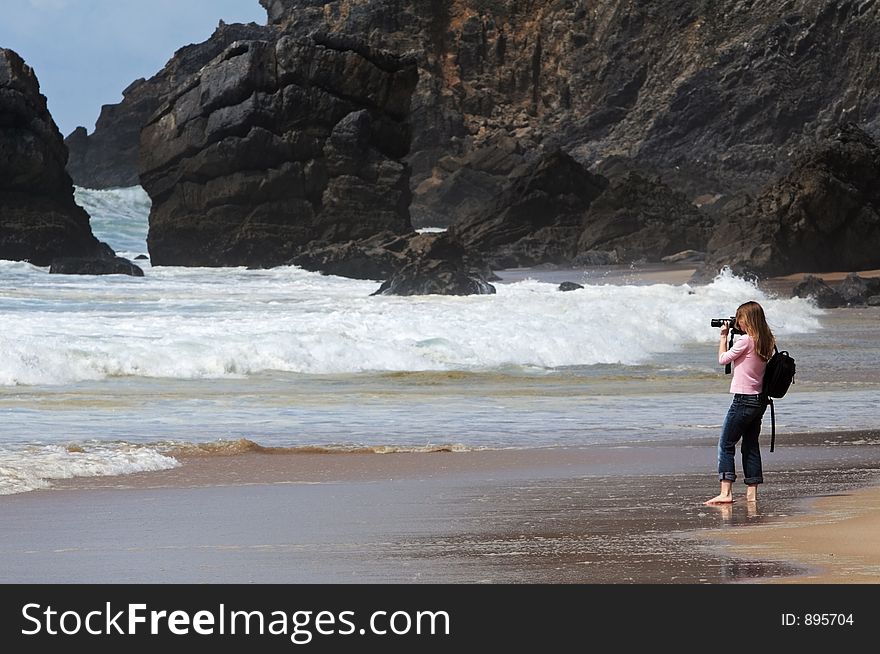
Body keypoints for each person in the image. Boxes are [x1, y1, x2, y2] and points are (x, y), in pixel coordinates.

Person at [704, 301, 776, 505]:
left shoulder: (745, 341)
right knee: (750, 446)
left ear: (749, 319)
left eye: (740, 317)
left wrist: (724, 336)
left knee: (726, 444)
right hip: (759, 401)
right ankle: (752, 494)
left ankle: (726, 493)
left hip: (743, 400)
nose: (737, 321)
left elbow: (723, 359)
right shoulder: (767, 340)